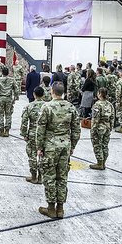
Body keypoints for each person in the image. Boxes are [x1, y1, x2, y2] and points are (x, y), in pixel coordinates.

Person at [36, 82, 80, 219]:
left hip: (50, 147)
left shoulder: (47, 107)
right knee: (62, 177)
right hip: (65, 146)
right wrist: (72, 146)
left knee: (50, 177)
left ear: (52, 91)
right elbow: (76, 129)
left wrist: (39, 147)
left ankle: (50, 208)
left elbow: (40, 128)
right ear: (63, 92)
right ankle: (60, 208)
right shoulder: (71, 108)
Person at [20, 86, 45, 184]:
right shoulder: (47, 106)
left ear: (34, 94)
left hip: (32, 134)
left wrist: (24, 134)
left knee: (32, 155)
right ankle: (41, 177)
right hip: (44, 135)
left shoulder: (29, 106)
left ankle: (34, 176)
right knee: (43, 156)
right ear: (43, 95)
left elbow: (24, 121)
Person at [90, 88, 115, 170]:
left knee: (97, 144)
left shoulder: (97, 105)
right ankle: (103, 162)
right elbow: (112, 117)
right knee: (105, 145)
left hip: (99, 127)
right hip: (107, 126)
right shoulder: (110, 104)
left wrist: (93, 128)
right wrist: (110, 126)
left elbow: (96, 118)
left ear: (100, 94)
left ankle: (99, 163)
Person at [0, 66, 19, 137]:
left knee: (0, 114)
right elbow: (16, 89)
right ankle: (7, 131)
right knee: (8, 115)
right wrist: (16, 98)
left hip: (0, 98)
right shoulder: (12, 80)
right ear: (8, 73)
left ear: (2, 72)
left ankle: (1, 131)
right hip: (9, 99)